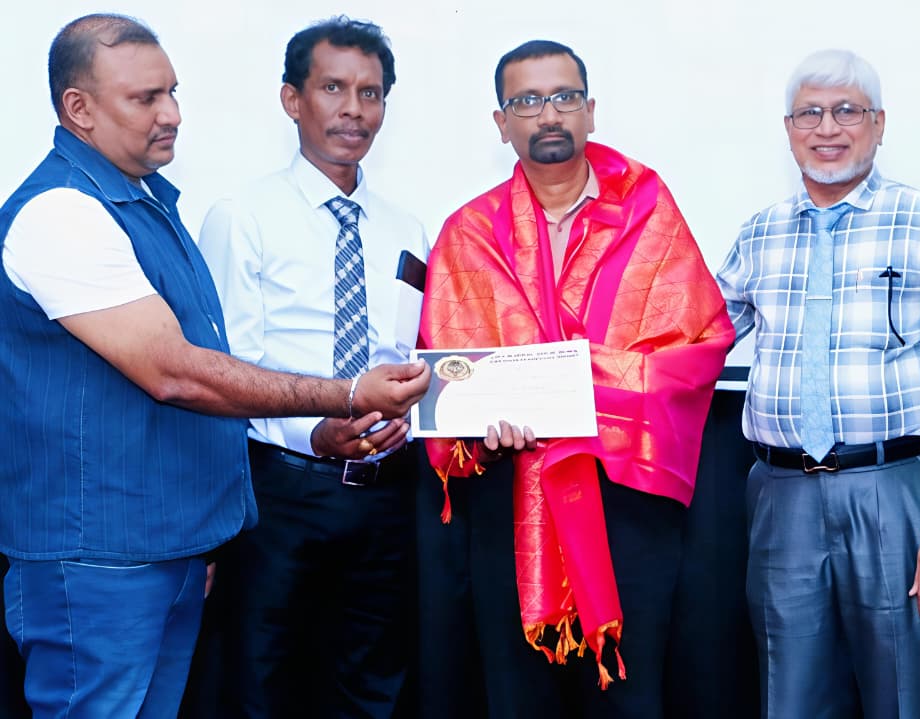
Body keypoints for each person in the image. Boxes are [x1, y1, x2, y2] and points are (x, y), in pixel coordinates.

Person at [0, 14, 430, 719]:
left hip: (173, 544)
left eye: (172, 92)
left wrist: (202, 542)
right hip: (101, 560)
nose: (172, 114)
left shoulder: (147, 205)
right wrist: (347, 395)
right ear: (79, 108)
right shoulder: (62, 214)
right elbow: (178, 373)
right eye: (146, 98)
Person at [418, 39, 734, 719]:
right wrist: (483, 424)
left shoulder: (648, 210)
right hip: (510, 494)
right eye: (527, 101)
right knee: (518, 695)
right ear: (501, 122)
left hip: (625, 497)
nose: (548, 114)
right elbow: (449, 369)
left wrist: (577, 379)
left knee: (628, 695)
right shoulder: (468, 233)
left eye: (564, 97)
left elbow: (698, 342)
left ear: (590, 110)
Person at [189, 17, 462, 717]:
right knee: (262, 688)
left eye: (370, 93)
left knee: (374, 691)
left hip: (386, 497)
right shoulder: (242, 215)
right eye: (333, 88)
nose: (353, 110)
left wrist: (412, 415)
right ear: (292, 99)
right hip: (280, 495)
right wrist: (314, 431)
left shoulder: (407, 227)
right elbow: (225, 371)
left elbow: (405, 354)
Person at [716, 49, 920, 718]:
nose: (827, 128)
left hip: (895, 491)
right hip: (781, 496)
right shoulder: (760, 234)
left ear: (879, 123)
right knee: (789, 697)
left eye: (847, 111)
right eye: (809, 113)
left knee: (905, 696)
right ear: (788, 129)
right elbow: (690, 341)